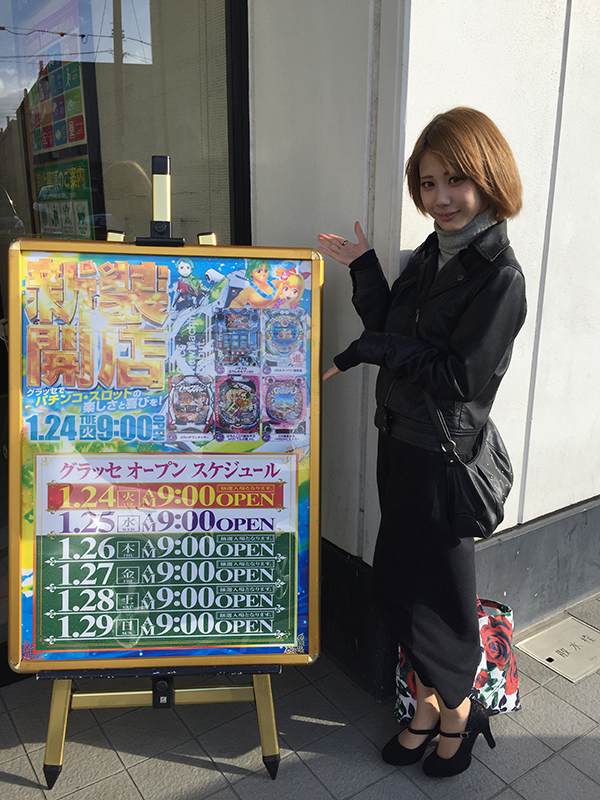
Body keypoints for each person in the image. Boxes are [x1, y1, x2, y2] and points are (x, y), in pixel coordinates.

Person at [318, 107, 526, 779]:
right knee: (399, 588)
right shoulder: (433, 254)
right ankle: (432, 706)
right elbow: (391, 326)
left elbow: (459, 376)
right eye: (429, 183)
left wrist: (372, 350)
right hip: (399, 443)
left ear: (489, 178)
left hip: (444, 458)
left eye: (456, 180)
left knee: (442, 599)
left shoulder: (500, 276)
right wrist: (365, 269)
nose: (441, 198)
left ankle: (458, 711)